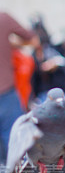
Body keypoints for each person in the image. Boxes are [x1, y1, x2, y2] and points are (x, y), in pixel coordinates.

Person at [0, 12, 38, 162]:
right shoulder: (3, 18)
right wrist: (10, 44)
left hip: (7, 94)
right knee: (17, 144)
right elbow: (33, 40)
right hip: (6, 92)